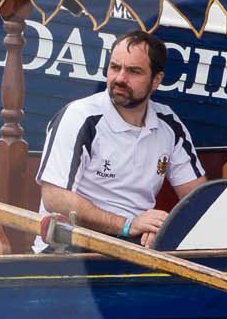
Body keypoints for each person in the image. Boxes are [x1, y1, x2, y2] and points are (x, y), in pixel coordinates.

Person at [36, 30, 204, 250]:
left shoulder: (168, 123)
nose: (120, 79)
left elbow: (198, 199)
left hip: (137, 248)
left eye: (134, 71)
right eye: (115, 67)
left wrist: (162, 230)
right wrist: (127, 226)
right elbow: (54, 197)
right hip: (71, 249)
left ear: (156, 80)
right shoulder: (80, 116)